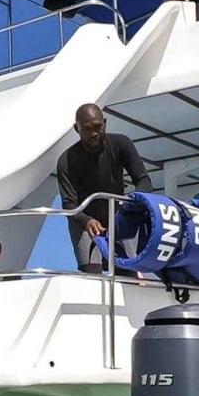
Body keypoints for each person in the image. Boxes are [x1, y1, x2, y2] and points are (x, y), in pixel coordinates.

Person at [57, 104, 153, 273]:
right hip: (84, 222)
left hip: (117, 218)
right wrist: (87, 221)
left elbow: (144, 181)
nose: (94, 133)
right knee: (92, 274)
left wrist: (130, 203)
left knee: (128, 272)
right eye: (87, 129)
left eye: (98, 127)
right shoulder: (66, 161)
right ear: (76, 129)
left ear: (105, 123)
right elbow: (69, 205)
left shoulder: (121, 143)